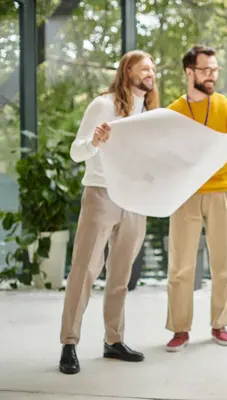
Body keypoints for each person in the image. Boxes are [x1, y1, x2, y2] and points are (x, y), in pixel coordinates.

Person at [59, 50, 160, 375]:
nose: (151, 73)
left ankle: (113, 340)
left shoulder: (149, 113)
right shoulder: (102, 105)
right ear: (127, 69)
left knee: (120, 275)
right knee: (84, 269)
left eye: (154, 69)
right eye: (145, 67)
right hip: (101, 193)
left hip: (134, 200)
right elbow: (77, 152)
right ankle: (69, 343)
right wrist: (96, 142)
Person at [165, 44, 227, 351]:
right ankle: (180, 329)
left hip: (223, 192)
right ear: (189, 72)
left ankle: (220, 324)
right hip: (185, 193)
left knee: (222, 263)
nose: (212, 75)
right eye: (206, 70)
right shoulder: (175, 110)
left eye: (215, 70)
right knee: (180, 266)